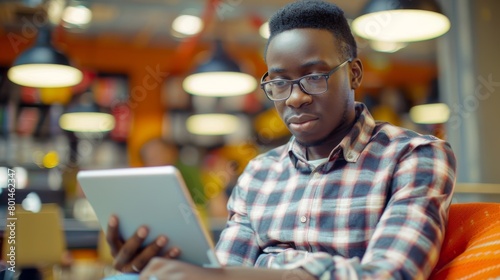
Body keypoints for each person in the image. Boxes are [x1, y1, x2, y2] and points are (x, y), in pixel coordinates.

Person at [106, 1, 457, 279]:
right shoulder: (259, 173)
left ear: (354, 73)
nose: (294, 98)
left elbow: (391, 274)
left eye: (315, 76)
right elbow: (228, 267)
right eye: (279, 82)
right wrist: (156, 266)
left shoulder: (414, 156)